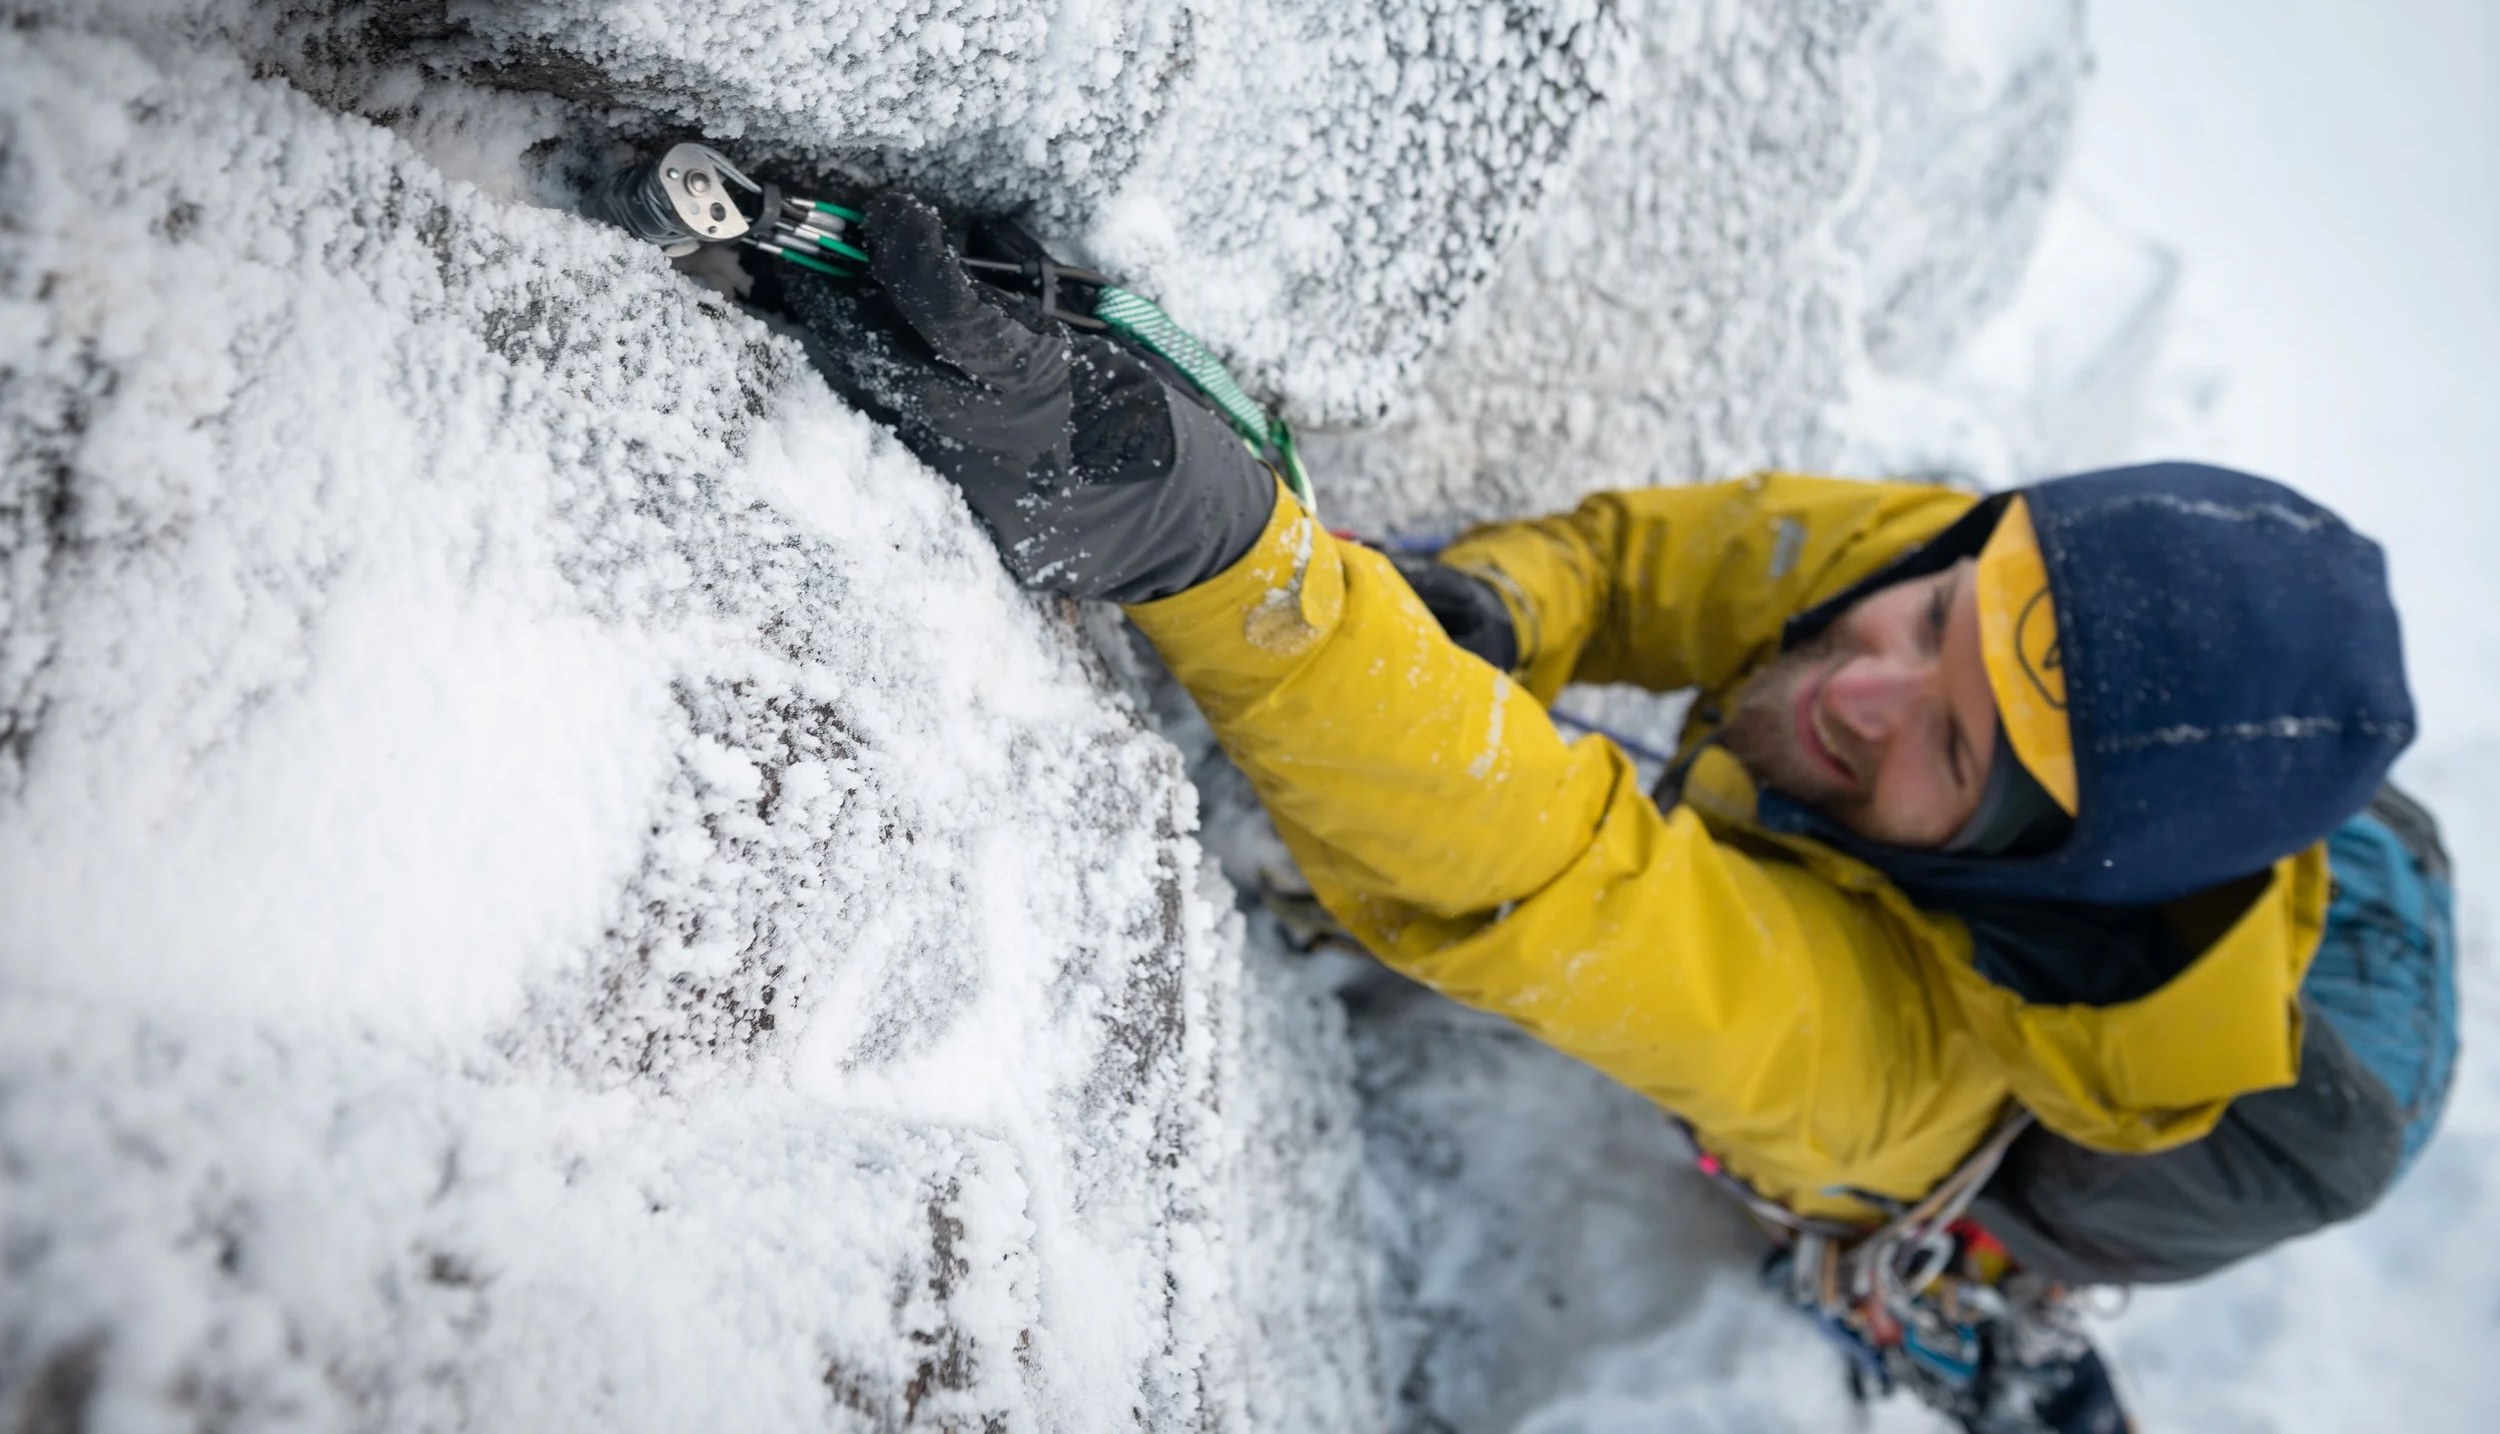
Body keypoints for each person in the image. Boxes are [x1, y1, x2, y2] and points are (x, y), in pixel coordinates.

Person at [788, 191, 2458, 1434]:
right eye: (1934, 618)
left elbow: (1579, 886)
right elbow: (1710, 560)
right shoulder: (2012, 607)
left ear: (2030, 857)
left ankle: (1981, 1296)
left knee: (1832, 1133)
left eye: (1947, 755)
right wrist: (1508, 610)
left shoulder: (1887, 1063)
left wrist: (1220, 558)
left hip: (2102, 1120)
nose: (1860, 684)